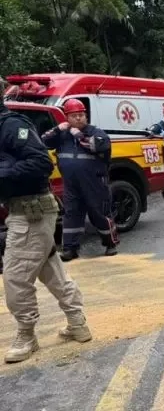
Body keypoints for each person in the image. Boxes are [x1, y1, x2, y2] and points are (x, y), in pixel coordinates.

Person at [0, 91, 91, 363]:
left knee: (16, 276)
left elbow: (41, 162)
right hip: (23, 209)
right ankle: (77, 323)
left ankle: (26, 334)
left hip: (32, 211)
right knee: (50, 270)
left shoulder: (12, 126)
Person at [42, 99, 119, 261]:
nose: (78, 118)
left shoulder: (96, 132)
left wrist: (78, 134)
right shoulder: (62, 134)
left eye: (81, 115)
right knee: (72, 214)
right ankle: (70, 249)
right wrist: (57, 129)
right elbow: (43, 141)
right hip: (71, 183)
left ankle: (110, 244)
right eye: (74, 116)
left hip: (95, 182)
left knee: (99, 213)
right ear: (67, 118)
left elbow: (98, 146)